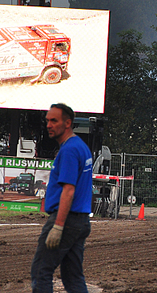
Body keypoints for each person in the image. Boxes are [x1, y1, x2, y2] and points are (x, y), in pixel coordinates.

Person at [31, 103, 93, 293]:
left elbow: (68, 191)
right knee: (73, 277)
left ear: (67, 123)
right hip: (80, 220)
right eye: (47, 120)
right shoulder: (80, 146)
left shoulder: (69, 150)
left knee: (41, 270)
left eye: (54, 120)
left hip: (67, 220)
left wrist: (58, 226)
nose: (49, 125)